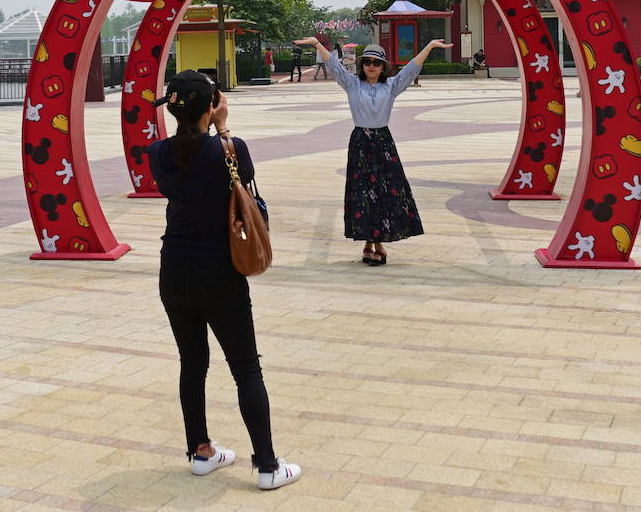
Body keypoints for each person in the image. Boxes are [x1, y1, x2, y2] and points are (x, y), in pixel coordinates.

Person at [148, 70, 302, 491]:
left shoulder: (157, 153)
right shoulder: (229, 149)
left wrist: (207, 127)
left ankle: (200, 451)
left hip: (174, 268)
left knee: (192, 364)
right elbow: (242, 181)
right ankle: (268, 466)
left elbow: (185, 163)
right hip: (219, 271)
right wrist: (223, 128)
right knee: (246, 369)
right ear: (212, 105)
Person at [300, 34, 452, 266]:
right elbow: (334, 65)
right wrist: (318, 44)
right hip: (360, 142)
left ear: (383, 67)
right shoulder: (352, 84)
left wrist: (429, 46)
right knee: (361, 193)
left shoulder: (391, 86)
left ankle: (378, 244)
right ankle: (368, 243)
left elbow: (411, 69)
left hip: (382, 142)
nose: (371, 66)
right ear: (362, 65)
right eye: (367, 62)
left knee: (384, 192)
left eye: (376, 63)